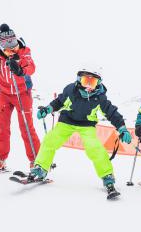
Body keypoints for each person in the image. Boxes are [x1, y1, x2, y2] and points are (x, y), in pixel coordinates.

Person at [30, 66, 132, 197]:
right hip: (67, 121)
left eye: (93, 82)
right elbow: (59, 101)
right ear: (79, 80)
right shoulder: (70, 90)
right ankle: (41, 168)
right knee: (50, 140)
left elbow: (112, 113)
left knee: (95, 148)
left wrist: (122, 128)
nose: (89, 85)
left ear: (98, 83)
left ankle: (107, 176)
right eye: (85, 80)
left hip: (87, 125)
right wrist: (48, 109)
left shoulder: (100, 97)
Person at [0, 24, 40, 171]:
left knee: (26, 128)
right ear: (0, 45)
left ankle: (37, 160)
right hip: (4, 94)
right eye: (8, 49)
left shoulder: (24, 51)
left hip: (22, 93)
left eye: (14, 47)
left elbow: (31, 67)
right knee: (2, 127)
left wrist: (20, 69)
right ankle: (0, 159)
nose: (12, 51)